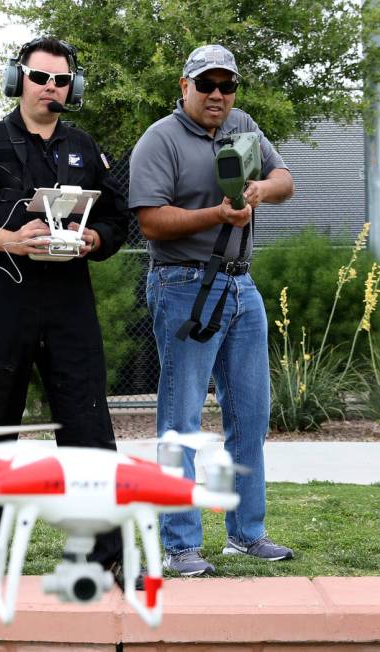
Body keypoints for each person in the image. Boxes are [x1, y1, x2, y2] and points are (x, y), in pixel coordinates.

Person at [0, 37, 132, 588]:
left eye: (62, 80)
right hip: (0, 308)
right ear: (16, 79)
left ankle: (104, 553)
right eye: (41, 77)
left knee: (89, 430)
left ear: (74, 87)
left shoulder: (86, 148)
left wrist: (97, 237)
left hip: (68, 308)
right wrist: (5, 239)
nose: (51, 87)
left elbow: (118, 219)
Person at [128, 44, 295, 576]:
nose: (218, 95)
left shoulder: (242, 123)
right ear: (185, 86)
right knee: (181, 421)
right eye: (207, 85)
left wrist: (261, 191)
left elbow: (285, 180)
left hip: (242, 288)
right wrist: (216, 214)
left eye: (227, 86)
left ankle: (246, 535)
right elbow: (151, 222)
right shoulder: (160, 139)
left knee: (250, 417)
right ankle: (180, 544)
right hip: (182, 287)